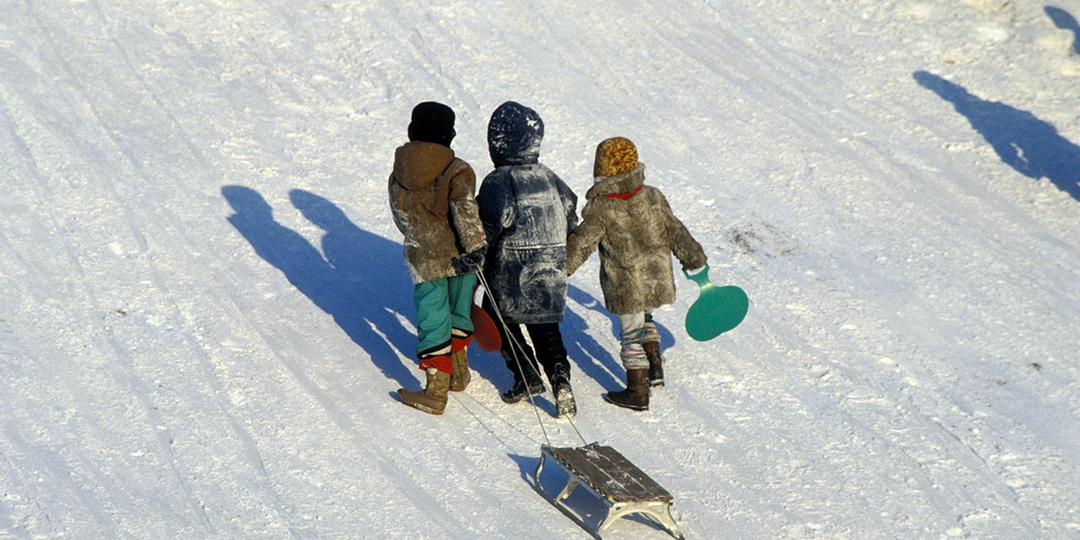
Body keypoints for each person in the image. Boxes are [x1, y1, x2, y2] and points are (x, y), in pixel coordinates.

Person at [566, 137, 707, 411]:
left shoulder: (601, 208)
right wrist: (693, 257)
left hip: (626, 285)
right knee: (647, 316)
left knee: (631, 335)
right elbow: (676, 230)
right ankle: (655, 367)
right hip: (656, 277)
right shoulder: (652, 196)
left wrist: (561, 267)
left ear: (601, 169)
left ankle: (637, 391)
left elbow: (582, 243)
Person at [476, 101, 580, 417]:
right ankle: (560, 379)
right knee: (546, 329)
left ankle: (526, 374)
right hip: (549, 269)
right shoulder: (551, 177)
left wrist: (479, 256)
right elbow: (570, 215)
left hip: (510, 270)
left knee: (497, 316)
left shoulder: (499, 181)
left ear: (499, 143)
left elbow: (490, 225)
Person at [389, 101, 487, 415]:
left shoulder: (399, 173)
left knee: (434, 319)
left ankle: (440, 383)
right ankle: (450, 381)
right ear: (449, 134)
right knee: (459, 312)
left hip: (423, 257)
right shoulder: (457, 168)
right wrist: (476, 246)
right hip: (461, 257)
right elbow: (465, 210)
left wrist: (417, 237)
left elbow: (401, 214)